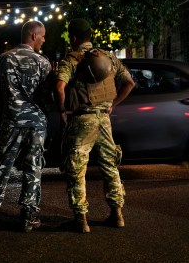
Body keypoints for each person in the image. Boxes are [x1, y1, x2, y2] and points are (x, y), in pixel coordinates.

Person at [54, 19, 136, 233]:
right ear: (90, 36)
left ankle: (81, 220)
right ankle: (117, 215)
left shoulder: (71, 60)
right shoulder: (109, 57)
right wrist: (113, 105)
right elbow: (129, 83)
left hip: (82, 121)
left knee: (77, 169)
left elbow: (59, 87)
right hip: (104, 121)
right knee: (110, 166)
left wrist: (62, 110)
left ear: (73, 38)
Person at [0, 20, 52, 232]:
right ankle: (28, 216)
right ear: (32, 35)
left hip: (11, 120)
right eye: (42, 36)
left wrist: (2, 119)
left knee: (2, 165)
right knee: (33, 167)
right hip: (36, 123)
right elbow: (46, 97)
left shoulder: (4, 59)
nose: (44, 40)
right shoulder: (43, 62)